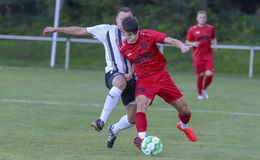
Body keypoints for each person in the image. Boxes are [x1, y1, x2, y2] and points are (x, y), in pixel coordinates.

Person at [43, 7, 136, 148]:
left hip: (132, 78)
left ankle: (114, 129)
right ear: (116, 20)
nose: (124, 22)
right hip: (114, 74)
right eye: (122, 19)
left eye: (128, 19)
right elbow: (80, 30)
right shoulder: (107, 30)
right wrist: (56, 29)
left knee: (132, 119)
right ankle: (101, 121)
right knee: (120, 81)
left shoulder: (136, 34)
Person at [120, 16, 197, 150]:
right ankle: (142, 139)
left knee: (185, 111)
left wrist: (181, 46)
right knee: (141, 104)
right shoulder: (124, 49)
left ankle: (183, 126)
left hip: (162, 76)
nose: (133, 37)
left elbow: (170, 40)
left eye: (135, 33)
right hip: (144, 80)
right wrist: (131, 73)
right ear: (124, 33)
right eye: (129, 35)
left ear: (138, 30)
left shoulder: (148, 34)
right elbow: (134, 61)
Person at [185, 10, 217, 100]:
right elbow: (187, 42)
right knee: (201, 75)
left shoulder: (210, 28)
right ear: (197, 18)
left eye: (203, 17)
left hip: (208, 55)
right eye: (200, 17)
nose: (202, 19)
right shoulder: (192, 29)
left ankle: (204, 89)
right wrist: (194, 44)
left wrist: (215, 45)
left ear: (206, 18)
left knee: (209, 75)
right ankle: (200, 94)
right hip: (197, 56)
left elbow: (214, 38)